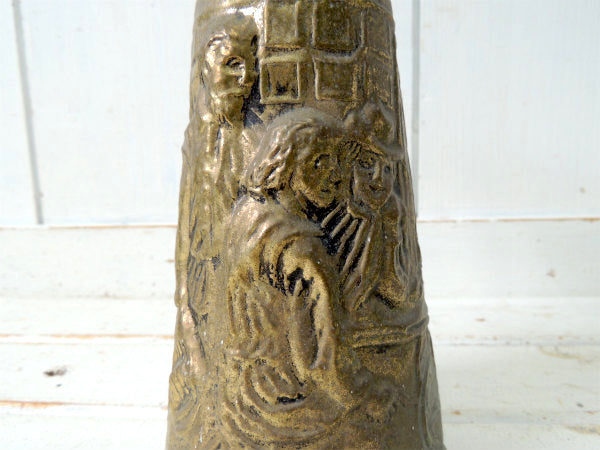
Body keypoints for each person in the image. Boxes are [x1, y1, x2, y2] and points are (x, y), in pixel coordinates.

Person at [219, 109, 373, 449]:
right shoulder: (304, 250)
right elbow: (322, 366)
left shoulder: (244, 218)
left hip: (237, 401)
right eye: (322, 162)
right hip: (286, 407)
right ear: (288, 164)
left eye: (339, 162)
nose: (337, 175)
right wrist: (369, 397)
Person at [167, 13, 259, 450]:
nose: (246, 80)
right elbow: (187, 227)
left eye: (249, 67)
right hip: (207, 282)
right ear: (206, 69)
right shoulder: (199, 139)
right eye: (232, 65)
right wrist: (184, 300)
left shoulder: (254, 142)